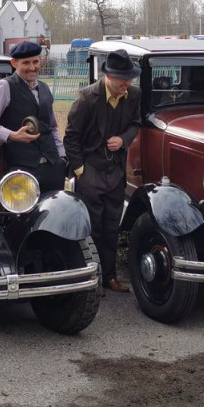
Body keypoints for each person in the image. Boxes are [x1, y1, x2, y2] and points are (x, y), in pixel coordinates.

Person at [64, 49, 142, 295]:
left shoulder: (134, 95)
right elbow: (71, 138)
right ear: (108, 75)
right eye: (122, 78)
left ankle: (110, 277)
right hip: (91, 171)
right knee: (93, 228)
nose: (126, 83)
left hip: (115, 172)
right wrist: (80, 171)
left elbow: (136, 124)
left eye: (129, 78)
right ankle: (93, 278)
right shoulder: (87, 99)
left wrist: (123, 140)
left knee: (111, 227)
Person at [0, 40, 66, 192]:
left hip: (52, 168)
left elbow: (52, 127)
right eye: (26, 63)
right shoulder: (5, 86)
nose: (32, 67)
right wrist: (11, 135)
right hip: (22, 171)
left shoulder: (44, 88)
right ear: (14, 63)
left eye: (35, 61)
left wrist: (62, 157)